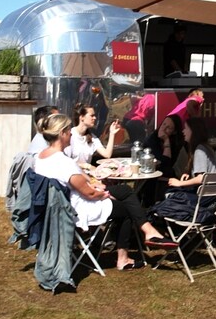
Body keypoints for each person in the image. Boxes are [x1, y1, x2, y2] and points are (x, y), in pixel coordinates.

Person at [34, 114, 174, 269]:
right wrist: (103, 194)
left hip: (54, 207)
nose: (71, 134)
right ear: (62, 133)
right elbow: (89, 194)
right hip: (75, 208)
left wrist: (96, 186)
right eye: (68, 131)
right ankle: (123, 258)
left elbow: (76, 184)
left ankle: (149, 231)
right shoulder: (64, 162)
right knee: (126, 209)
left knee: (124, 190)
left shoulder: (41, 157)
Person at [167, 118, 216, 189]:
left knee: (169, 193)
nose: (183, 131)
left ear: (193, 131)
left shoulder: (200, 150)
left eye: (186, 128)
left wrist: (179, 183)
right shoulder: (207, 147)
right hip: (213, 191)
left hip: (206, 193)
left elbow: (201, 178)